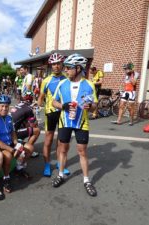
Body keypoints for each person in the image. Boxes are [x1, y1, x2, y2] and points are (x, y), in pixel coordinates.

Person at [52, 53, 98, 197]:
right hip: (65, 121)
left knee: (82, 151)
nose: (65, 70)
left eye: (68, 68)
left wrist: (90, 106)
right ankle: (61, 174)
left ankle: (86, 180)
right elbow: (53, 102)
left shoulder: (89, 84)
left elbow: (94, 106)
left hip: (81, 123)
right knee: (63, 149)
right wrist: (63, 106)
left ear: (78, 68)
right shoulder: (62, 83)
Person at [36, 53, 69, 177]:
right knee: (48, 140)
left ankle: (60, 164)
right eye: (54, 64)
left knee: (61, 141)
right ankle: (47, 165)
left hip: (63, 113)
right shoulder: (46, 80)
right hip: (50, 113)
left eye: (58, 63)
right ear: (51, 65)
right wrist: (37, 112)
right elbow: (41, 98)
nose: (56, 66)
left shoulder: (67, 79)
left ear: (62, 65)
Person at [10, 92, 41, 163]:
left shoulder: (18, 104)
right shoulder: (29, 109)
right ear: (32, 100)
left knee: (24, 125)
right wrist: (35, 118)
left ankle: (21, 143)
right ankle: (27, 150)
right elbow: (33, 125)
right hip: (13, 132)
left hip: (10, 127)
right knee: (36, 130)